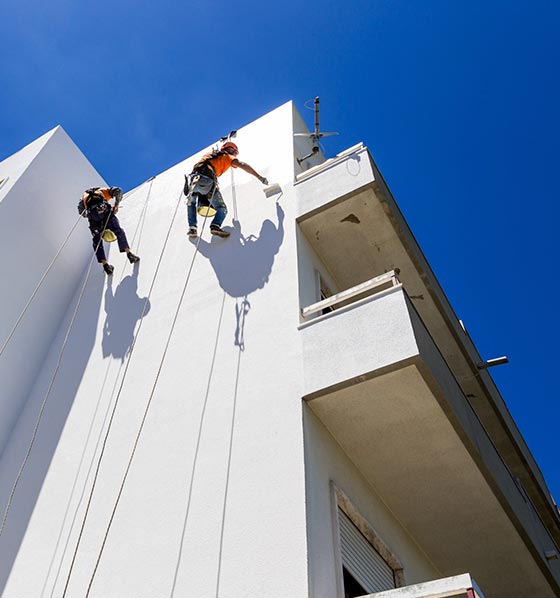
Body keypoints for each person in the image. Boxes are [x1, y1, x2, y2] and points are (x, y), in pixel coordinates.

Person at [184, 141, 268, 238]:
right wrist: (259, 177)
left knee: (191, 203)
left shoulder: (210, 155)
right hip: (206, 180)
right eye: (235, 153)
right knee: (221, 208)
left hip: (193, 179)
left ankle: (192, 228)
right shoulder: (227, 157)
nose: (235, 156)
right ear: (232, 151)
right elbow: (242, 165)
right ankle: (215, 225)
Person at [78, 186, 140, 276]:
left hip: (94, 220)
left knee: (97, 241)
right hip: (106, 213)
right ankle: (129, 254)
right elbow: (117, 190)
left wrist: (91, 216)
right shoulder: (102, 190)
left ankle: (106, 266)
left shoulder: (83, 197)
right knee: (119, 231)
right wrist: (116, 205)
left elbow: (81, 212)